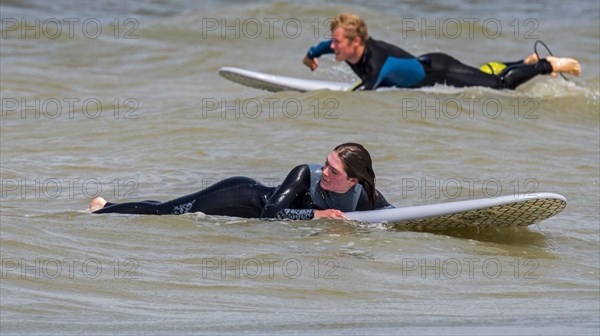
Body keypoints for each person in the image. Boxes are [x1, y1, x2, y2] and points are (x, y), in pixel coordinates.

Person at [86, 143, 393, 220]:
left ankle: (109, 205)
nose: (325, 172)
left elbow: (393, 214)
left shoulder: (365, 195)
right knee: (164, 212)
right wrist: (317, 215)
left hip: (245, 210)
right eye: (326, 164)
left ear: (353, 179)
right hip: (239, 196)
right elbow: (272, 213)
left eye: (334, 171)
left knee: (165, 210)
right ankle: (102, 209)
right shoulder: (304, 173)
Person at [303, 13, 582, 91]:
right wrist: (310, 56)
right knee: (482, 72)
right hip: (432, 62)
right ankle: (524, 61)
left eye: (338, 42)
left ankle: (546, 65)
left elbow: (367, 89)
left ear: (355, 42)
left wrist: (329, 100)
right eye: (333, 41)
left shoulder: (377, 60)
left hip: (440, 70)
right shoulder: (344, 48)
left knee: (501, 85)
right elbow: (319, 48)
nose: (333, 45)